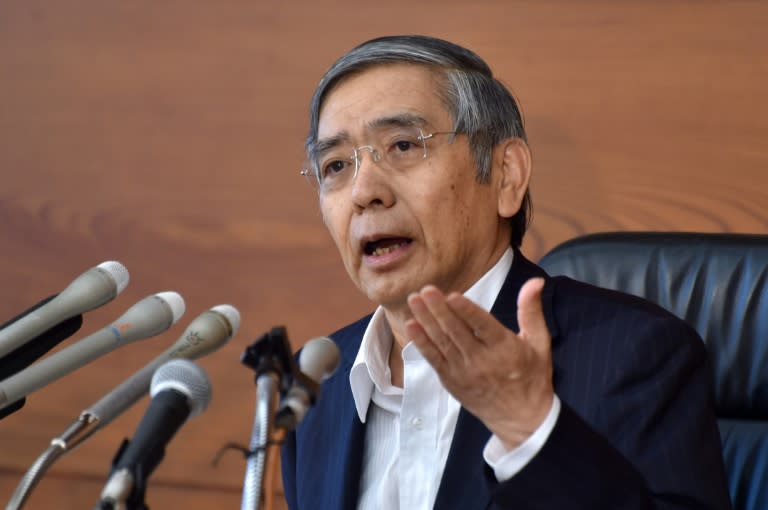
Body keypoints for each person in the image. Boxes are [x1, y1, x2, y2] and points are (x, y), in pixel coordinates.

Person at [281, 35, 732, 509]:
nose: (364, 191)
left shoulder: (636, 356)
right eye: (335, 165)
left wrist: (532, 433)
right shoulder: (312, 384)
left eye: (403, 145)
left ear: (505, 175)